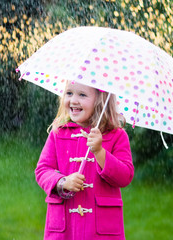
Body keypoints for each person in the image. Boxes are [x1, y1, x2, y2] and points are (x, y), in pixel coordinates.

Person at [35, 81, 134, 240]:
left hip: (100, 231)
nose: (73, 100)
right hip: (64, 228)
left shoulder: (116, 135)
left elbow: (125, 175)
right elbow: (42, 170)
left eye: (82, 94)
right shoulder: (58, 132)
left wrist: (100, 152)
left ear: (100, 100)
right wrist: (62, 181)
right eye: (69, 93)